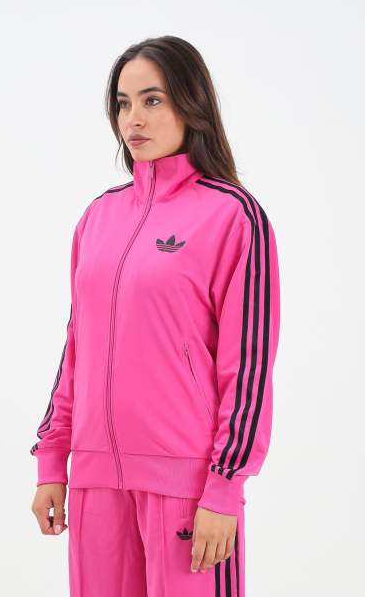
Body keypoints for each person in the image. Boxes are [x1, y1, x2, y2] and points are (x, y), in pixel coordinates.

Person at [30, 35, 280, 597]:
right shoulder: (98, 217)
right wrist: (52, 460)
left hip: (187, 484)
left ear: (191, 104)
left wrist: (224, 488)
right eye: (123, 103)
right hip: (96, 480)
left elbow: (247, 368)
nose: (133, 119)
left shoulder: (233, 216)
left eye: (152, 100)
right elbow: (78, 350)